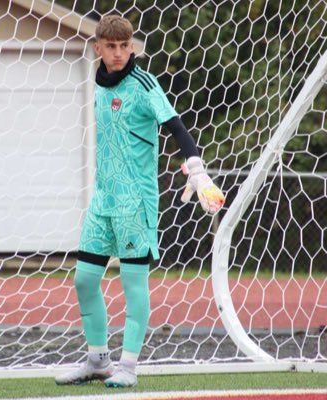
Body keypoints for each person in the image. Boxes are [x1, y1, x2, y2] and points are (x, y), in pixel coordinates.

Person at [55, 15, 225, 388]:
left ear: (131, 46)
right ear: (97, 48)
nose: (117, 54)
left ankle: (128, 366)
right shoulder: (98, 83)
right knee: (84, 280)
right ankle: (98, 360)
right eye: (110, 47)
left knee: (133, 284)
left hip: (136, 201)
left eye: (123, 46)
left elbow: (177, 126)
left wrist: (195, 167)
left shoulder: (145, 83)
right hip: (103, 200)